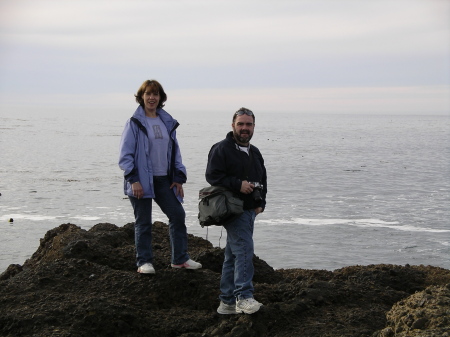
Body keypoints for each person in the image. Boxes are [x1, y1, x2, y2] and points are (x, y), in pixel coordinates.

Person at [119, 79, 202, 274]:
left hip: (163, 179)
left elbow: (175, 152)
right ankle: (144, 262)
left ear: (160, 98)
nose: (151, 98)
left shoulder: (167, 122)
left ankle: (180, 259)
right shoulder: (134, 123)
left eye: (155, 94)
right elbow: (125, 155)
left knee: (177, 215)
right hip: (140, 181)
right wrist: (134, 180)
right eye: (148, 94)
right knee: (143, 222)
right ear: (141, 97)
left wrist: (178, 177)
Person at [205, 107, 267, 314]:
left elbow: (263, 179)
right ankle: (244, 296)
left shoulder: (255, 151)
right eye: (240, 124)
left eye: (248, 124)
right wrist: (237, 184)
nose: (244, 128)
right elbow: (213, 176)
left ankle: (227, 303)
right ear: (233, 125)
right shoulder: (221, 148)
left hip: (250, 210)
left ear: (254, 127)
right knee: (244, 252)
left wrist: (261, 204)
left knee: (232, 255)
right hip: (232, 209)